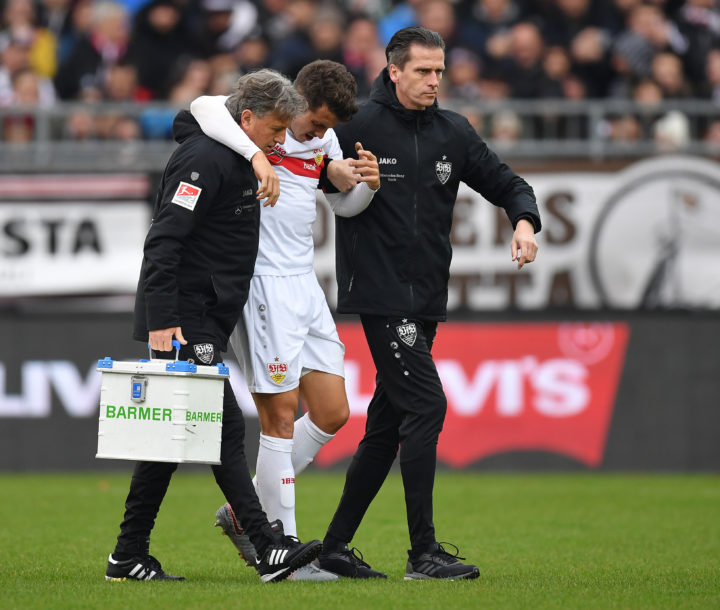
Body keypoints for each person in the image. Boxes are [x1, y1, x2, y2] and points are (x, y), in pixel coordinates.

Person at [315, 26, 541, 580]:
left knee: (386, 426)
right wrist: (330, 172)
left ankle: (334, 548)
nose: (434, 81)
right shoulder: (357, 125)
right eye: (423, 71)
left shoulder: (453, 132)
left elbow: (507, 183)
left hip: (425, 298)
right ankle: (423, 553)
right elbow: (306, 165)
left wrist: (525, 222)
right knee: (428, 406)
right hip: (380, 293)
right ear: (393, 71)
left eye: (439, 71)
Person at [105, 69, 322, 584]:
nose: (279, 140)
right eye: (273, 129)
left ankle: (126, 555)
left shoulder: (235, 152)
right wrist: (162, 320)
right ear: (245, 118)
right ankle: (268, 547)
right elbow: (163, 241)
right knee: (222, 428)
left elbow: (204, 110)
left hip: (204, 316)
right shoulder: (203, 160)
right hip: (184, 320)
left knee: (167, 445)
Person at [189, 59, 381, 581]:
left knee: (333, 412)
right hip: (263, 283)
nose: (320, 135)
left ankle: (243, 511)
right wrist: (257, 154)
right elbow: (201, 106)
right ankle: (285, 550)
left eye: (326, 130)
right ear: (294, 101)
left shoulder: (323, 141)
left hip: (306, 283)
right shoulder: (252, 129)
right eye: (315, 124)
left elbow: (345, 207)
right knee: (277, 417)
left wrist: (362, 183)